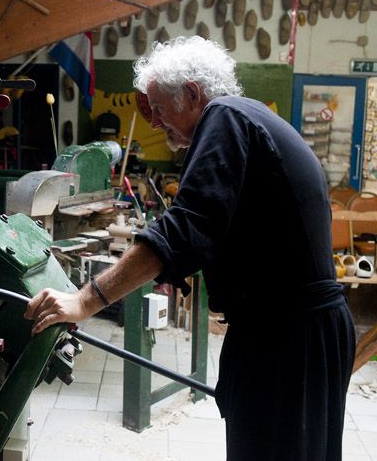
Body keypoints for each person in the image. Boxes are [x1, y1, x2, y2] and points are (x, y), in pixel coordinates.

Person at [25, 36, 355, 460]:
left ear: (194, 94)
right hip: (297, 331)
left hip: (290, 338)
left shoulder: (225, 115)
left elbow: (187, 228)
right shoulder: (247, 118)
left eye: (160, 110)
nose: (158, 123)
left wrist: (85, 300)